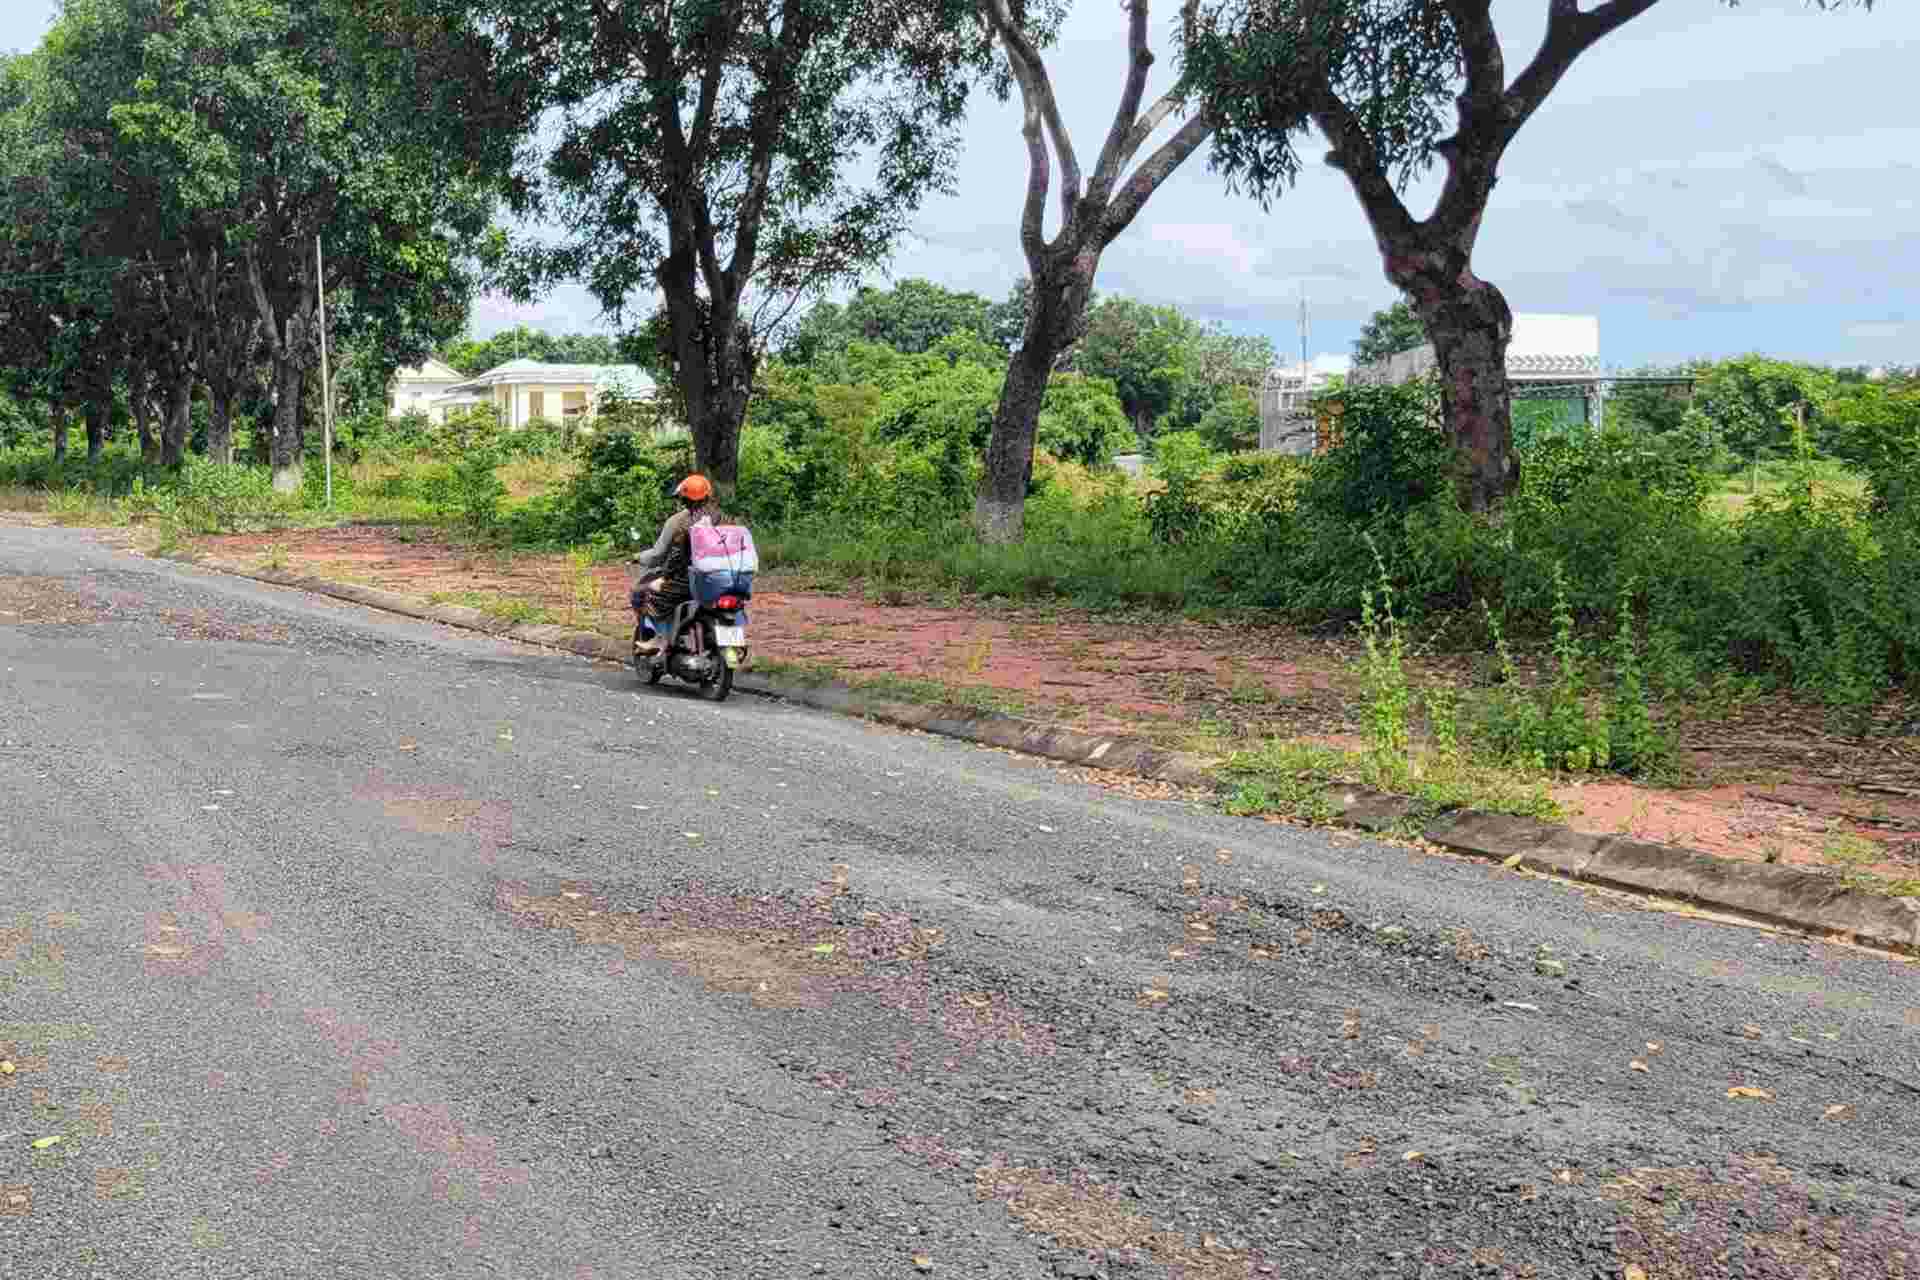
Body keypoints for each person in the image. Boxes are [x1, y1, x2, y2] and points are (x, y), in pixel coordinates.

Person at [630, 473, 730, 657]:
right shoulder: (724, 519)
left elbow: (677, 558)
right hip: (725, 580)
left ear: (684, 500)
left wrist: (666, 576)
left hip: (691, 582)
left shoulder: (685, 524)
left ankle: (661, 638)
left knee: (647, 594)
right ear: (708, 495)